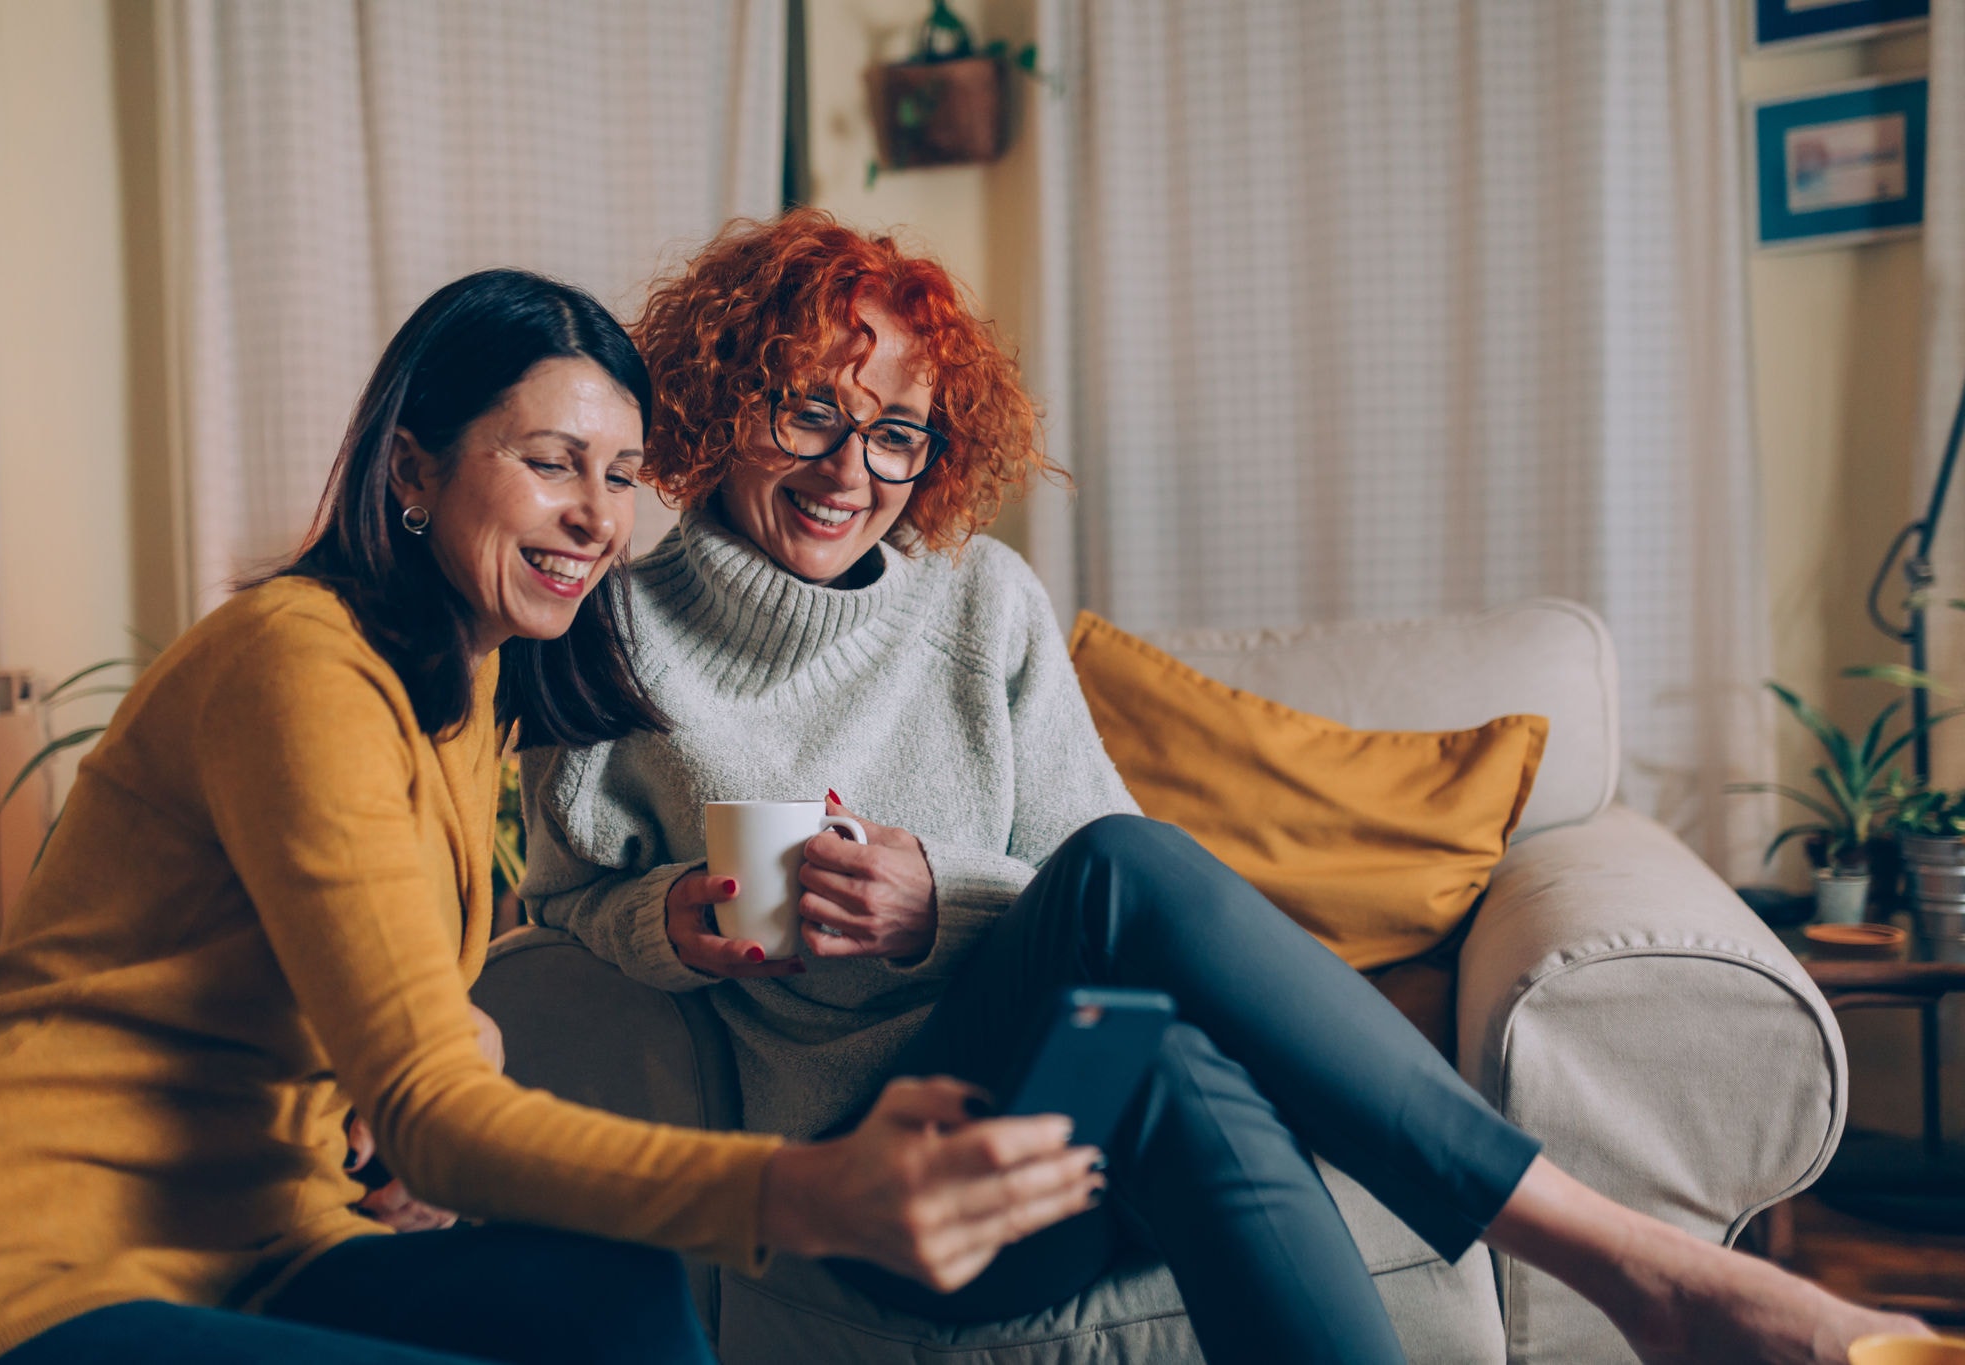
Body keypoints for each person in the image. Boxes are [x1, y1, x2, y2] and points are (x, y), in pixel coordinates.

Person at [520, 212, 1930, 1365]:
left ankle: (1650, 1278)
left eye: (898, 433)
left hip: (1069, 1114)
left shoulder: (981, 607)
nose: (854, 470)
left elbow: (1092, 883)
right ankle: (1643, 1270)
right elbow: (569, 893)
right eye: (812, 411)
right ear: (722, 392)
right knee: (1151, 963)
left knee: (1143, 969)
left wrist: (935, 904)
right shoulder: (612, 629)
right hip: (884, 1179)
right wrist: (683, 922)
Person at [0, 269, 1106, 1365]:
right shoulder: (297, 666)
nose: (597, 518)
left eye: (622, 475)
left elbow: (400, 1003)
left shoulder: (470, 690)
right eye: (551, 462)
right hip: (32, 1246)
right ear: (412, 470)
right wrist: (804, 1191)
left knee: (625, 1305)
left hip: (267, 1238)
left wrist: (436, 1060)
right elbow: (436, 1112)